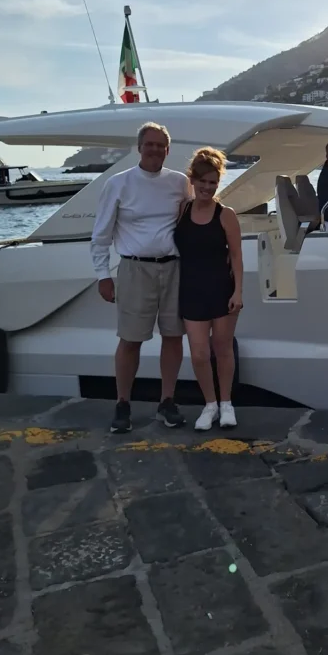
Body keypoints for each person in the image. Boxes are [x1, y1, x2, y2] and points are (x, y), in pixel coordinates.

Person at [91, 122, 190, 434]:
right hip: (134, 269)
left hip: (175, 268)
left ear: (168, 150)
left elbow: (191, 222)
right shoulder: (119, 183)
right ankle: (122, 404)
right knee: (130, 339)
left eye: (161, 145)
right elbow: (101, 234)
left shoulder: (179, 182)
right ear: (139, 147)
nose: (155, 150)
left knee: (174, 336)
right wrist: (102, 275)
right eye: (150, 144)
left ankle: (167, 401)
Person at [174, 147, 243, 431]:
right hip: (191, 290)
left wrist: (238, 292)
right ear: (192, 179)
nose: (207, 187)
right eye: (202, 181)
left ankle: (227, 403)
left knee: (222, 349)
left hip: (222, 289)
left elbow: (237, 256)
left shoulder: (225, 214)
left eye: (213, 182)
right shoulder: (182, 209)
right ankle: (210, 404)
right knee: (199, 353)